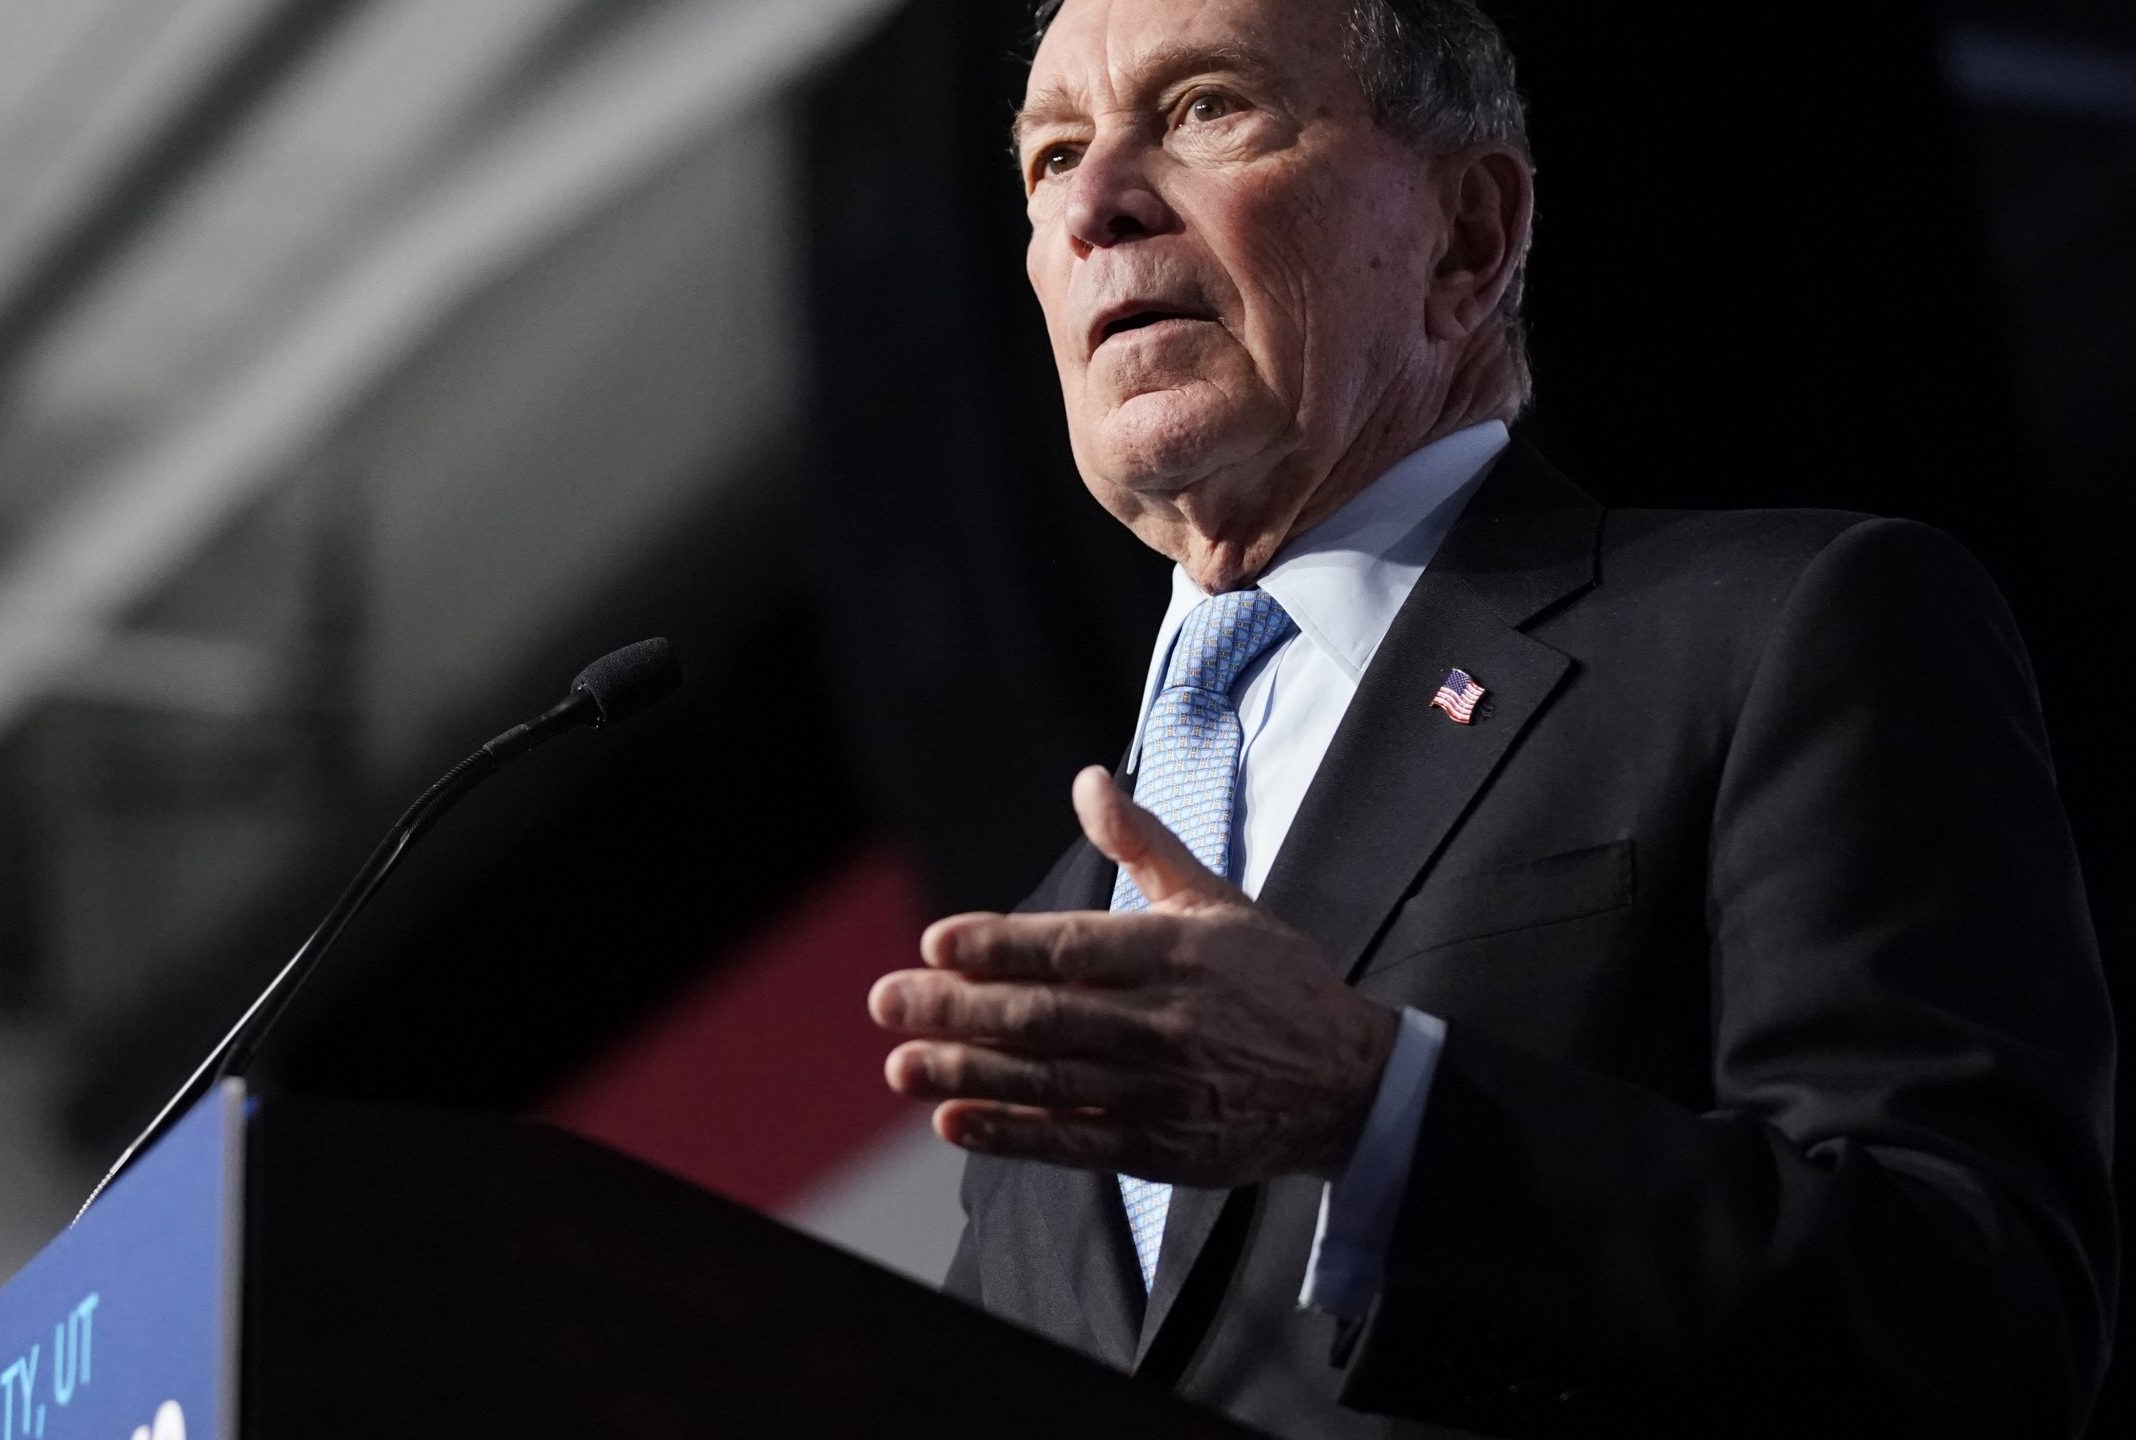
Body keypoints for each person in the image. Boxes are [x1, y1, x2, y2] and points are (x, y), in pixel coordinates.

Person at [863, 0, 2118, 1434]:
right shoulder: (1062, 935)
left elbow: (1971, 1314)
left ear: (1466, 235)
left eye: (1207, 108)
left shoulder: (1777, 633)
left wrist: (1383, 1106)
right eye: (1050, 157)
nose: (1093, 203)